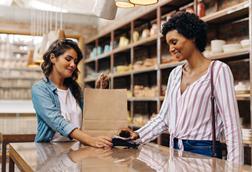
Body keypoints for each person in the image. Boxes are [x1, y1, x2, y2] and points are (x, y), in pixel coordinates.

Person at [122, 11, 243, 164]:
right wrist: (138, 135)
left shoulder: (218, 71)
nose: (171, 49)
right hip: (175, 151)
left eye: (174, 42)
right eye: (168, 45)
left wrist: (234, 168)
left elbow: (232, 126)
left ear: (191, 36)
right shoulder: (175, 74)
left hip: (205, 154)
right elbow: (163, 118)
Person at [32, 39, 112, 148]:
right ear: (52, 58)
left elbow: (90, 115)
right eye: (68, 59)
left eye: (75, 61)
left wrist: (100, 91)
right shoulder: (40, 89)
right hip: (49, 150)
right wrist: (91, 140)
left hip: (77, 150)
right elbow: (57, 121)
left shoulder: (74, 88)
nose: (73, 65)